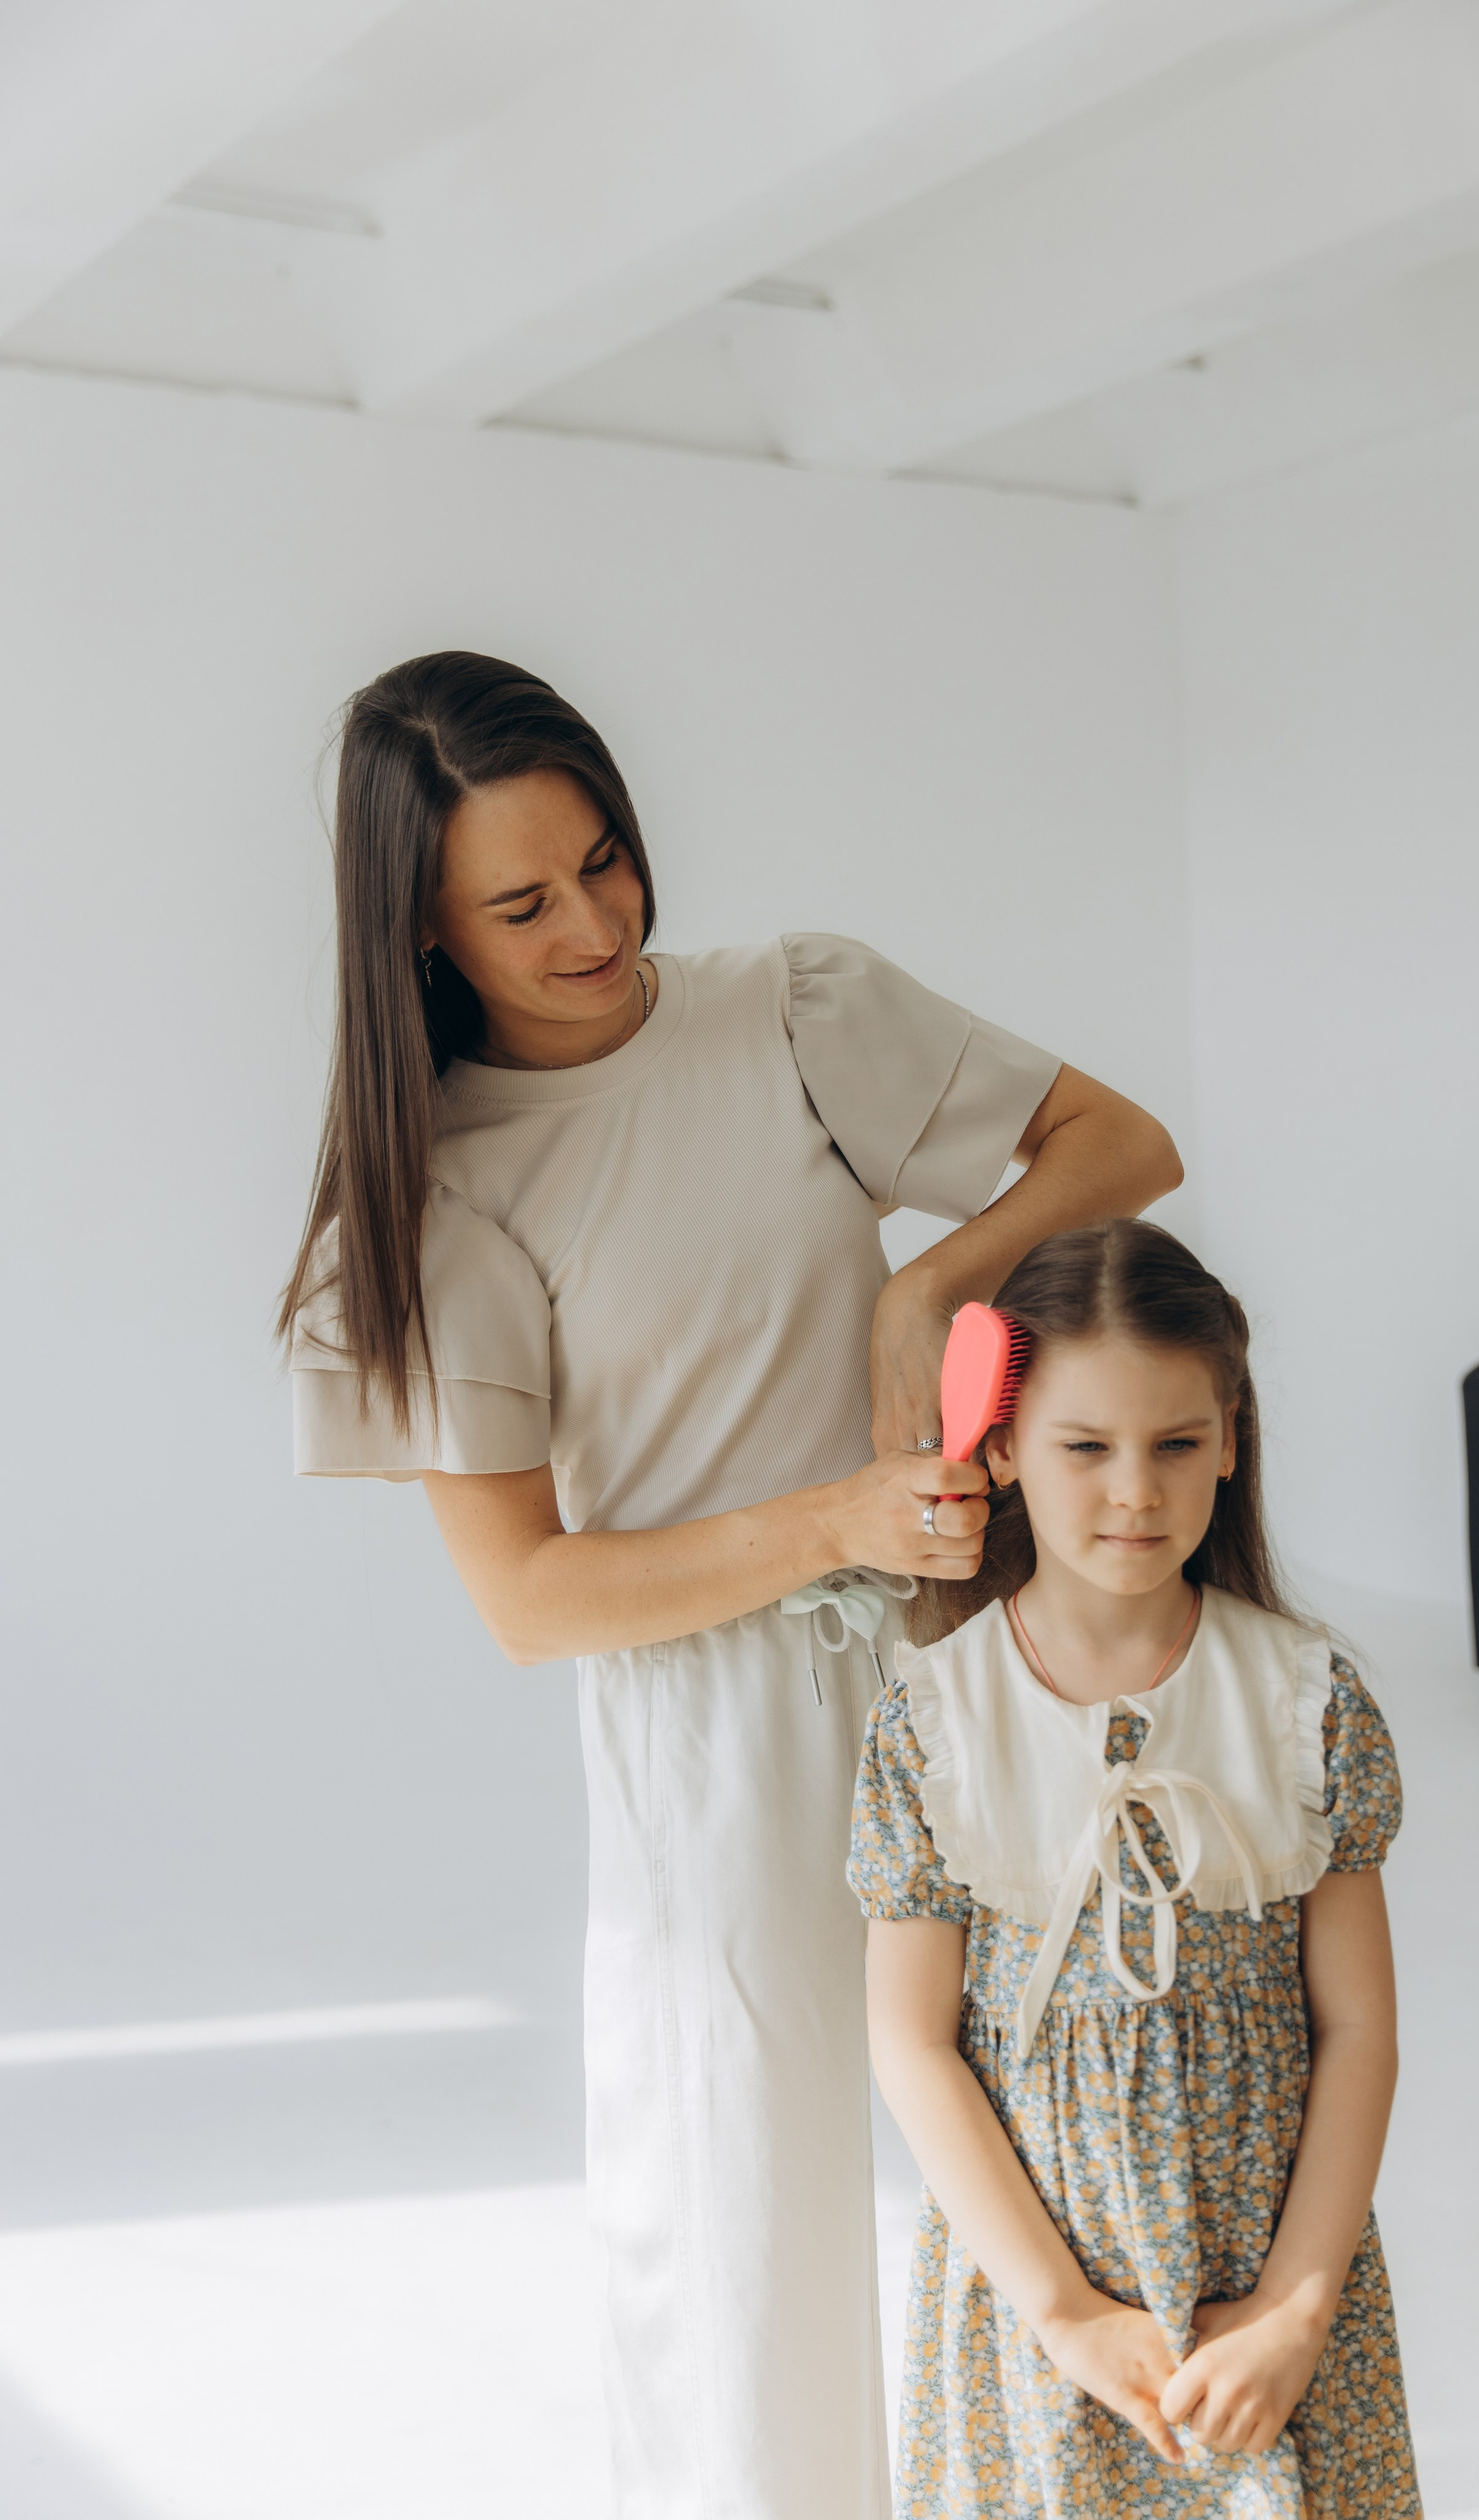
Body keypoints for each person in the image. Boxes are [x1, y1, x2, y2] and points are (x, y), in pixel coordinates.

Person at [278, 652, 1182, 2520]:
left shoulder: (792, 1009)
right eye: (521, 906)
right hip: (712, 1729)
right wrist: (836, 1522)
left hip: (964, 1673)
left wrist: (931, 1284)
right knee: (742, 2212)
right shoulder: (444, 1191)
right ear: (422, 935)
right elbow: (529, 1597)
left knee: (1059, 2151)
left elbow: (1119, 1147)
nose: (597, 924)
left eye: (606, 861)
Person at [851, 1218, 1420, 2519]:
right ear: (998, 1447)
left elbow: (1358, 2027)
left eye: (1174, 1444)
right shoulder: (933, 1723)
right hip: (1034, 2299)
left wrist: (1294, 2307)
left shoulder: (1302, 1702)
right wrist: (1062, 2316)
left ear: (1228, 1439)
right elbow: (911, 2044)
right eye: (1083, 1447)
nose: (1133, 1492)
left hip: (1260, 2293)